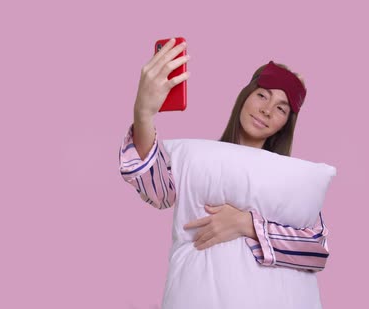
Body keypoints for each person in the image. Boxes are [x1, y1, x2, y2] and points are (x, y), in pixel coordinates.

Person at [119, 38, 329, 272]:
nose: (266, 110)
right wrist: (143, 115)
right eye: (262, 95)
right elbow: (156, 190)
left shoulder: (287, 178)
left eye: (281, 108)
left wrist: (247, 224)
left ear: (285, 124)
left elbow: (316, 251)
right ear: (246, 95)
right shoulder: (200, 161)